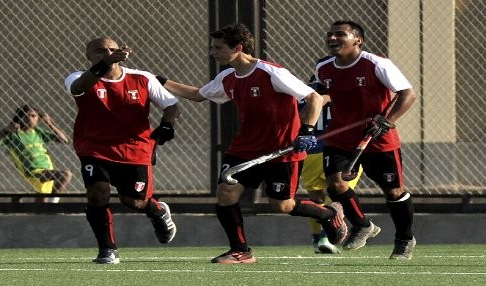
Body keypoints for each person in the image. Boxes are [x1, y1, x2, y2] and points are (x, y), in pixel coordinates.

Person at [159, 23, 348, 264]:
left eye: (217, 47)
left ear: (238, 48)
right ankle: (241, 251)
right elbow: (198, 94)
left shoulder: (271, 72)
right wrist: (157, 80)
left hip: (281, 151)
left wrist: (307, 131)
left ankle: (327, 212)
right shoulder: (227, 76)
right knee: (225, 194)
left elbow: (313, 98)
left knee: (282, 205)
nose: (212, 52)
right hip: (244, 149)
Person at [64, 37, 180, 264]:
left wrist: (167, 125)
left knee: (134, 202)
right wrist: (104, 64)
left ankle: (157, 211)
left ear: (123, 53)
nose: (107, 53)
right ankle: (108, 249)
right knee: (97, 192)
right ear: (89, 56)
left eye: (112, 50)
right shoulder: (78, 78)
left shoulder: (142, 78)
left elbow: (171, 105)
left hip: (135, 148)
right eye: (100, 51)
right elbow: (78, 89)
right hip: (94, 147)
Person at [315, 20, 417, 260]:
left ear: (357, 40)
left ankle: (404, 238)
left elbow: (407, 93)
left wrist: (388, 120)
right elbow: (324, 94)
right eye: (330, 34)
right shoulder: (323, 67)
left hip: (379, 139)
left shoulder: (376, 64)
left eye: (340, 34)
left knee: (393, 192)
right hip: (341, 137)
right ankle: (363, 225)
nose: (332, 38)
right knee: (336, 185)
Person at [300, 75, 364, 254]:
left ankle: (318, 237)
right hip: (339, 150)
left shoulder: (303, 93)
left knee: (316, 197)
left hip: (310, 151)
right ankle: (326, 236)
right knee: (339, 193)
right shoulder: (345, 91)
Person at [0, 104, 72, 203]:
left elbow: (64, 140)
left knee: (40, 209)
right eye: (26, 116)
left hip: (47, 169)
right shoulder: (13, 134)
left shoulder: (38, 131)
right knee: (65, 174)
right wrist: (5, 130)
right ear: (19, 118)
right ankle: (53, 205)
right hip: (34, 171)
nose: (30, 119)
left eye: (33, 116)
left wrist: (50, 124)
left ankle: (40, 214)